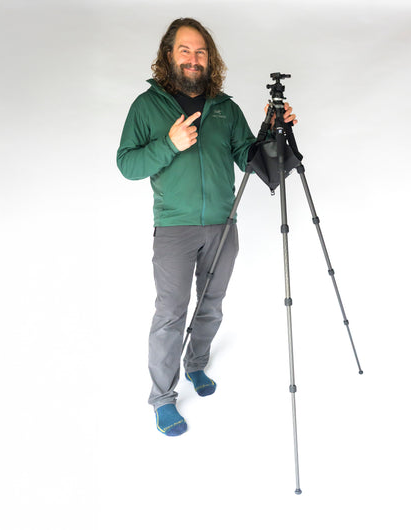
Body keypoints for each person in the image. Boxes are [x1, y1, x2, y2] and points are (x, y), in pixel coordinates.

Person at [116, 18, 297, 436]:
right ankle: (163, 397)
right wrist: (169, 144)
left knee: (211, 305)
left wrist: (275, 130)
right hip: (174, 228)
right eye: (185, 50)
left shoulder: (225, 108)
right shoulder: (146, 106)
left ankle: (196, 363)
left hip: (222, 224)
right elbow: (127, 163)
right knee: (170, 313)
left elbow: (252, 160)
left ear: (209, 58)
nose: (193, 58)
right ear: (168, 55)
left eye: (200, 51)